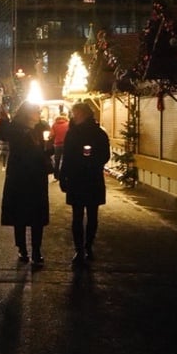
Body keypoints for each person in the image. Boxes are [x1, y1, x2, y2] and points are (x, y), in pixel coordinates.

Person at [0, 102, 54, 267]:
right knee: (20, 213)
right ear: (27, 113)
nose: (38, 113)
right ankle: (22, 247)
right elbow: (3, 135)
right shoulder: (15, 128)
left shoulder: (42, 127)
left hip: (37, 175)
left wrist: (48, 145)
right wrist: (3, 120)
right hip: (20, 175)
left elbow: (48, 151)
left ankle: (36, 250)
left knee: (37, 214)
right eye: (35, 110)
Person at [58, 102, 110, 265]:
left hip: (77, 178)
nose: (74, 116)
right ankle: (87, 247)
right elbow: (105, 156)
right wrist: (94, 162)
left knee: (78, 215)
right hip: (92, 177)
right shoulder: (99, 132)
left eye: (76, 113)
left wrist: (63, 176)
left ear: (83, 114)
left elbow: (67, 157)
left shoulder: (74, 133)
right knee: (91, 214)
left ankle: (80, 249)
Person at [50, 113, 70, 179]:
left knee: (57, 160)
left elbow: (51, 135)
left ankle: (56, 175)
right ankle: (65, 175)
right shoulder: (68, 124)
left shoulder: (54, 125)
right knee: (66, 160)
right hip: (66, 144)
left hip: (57, 145)